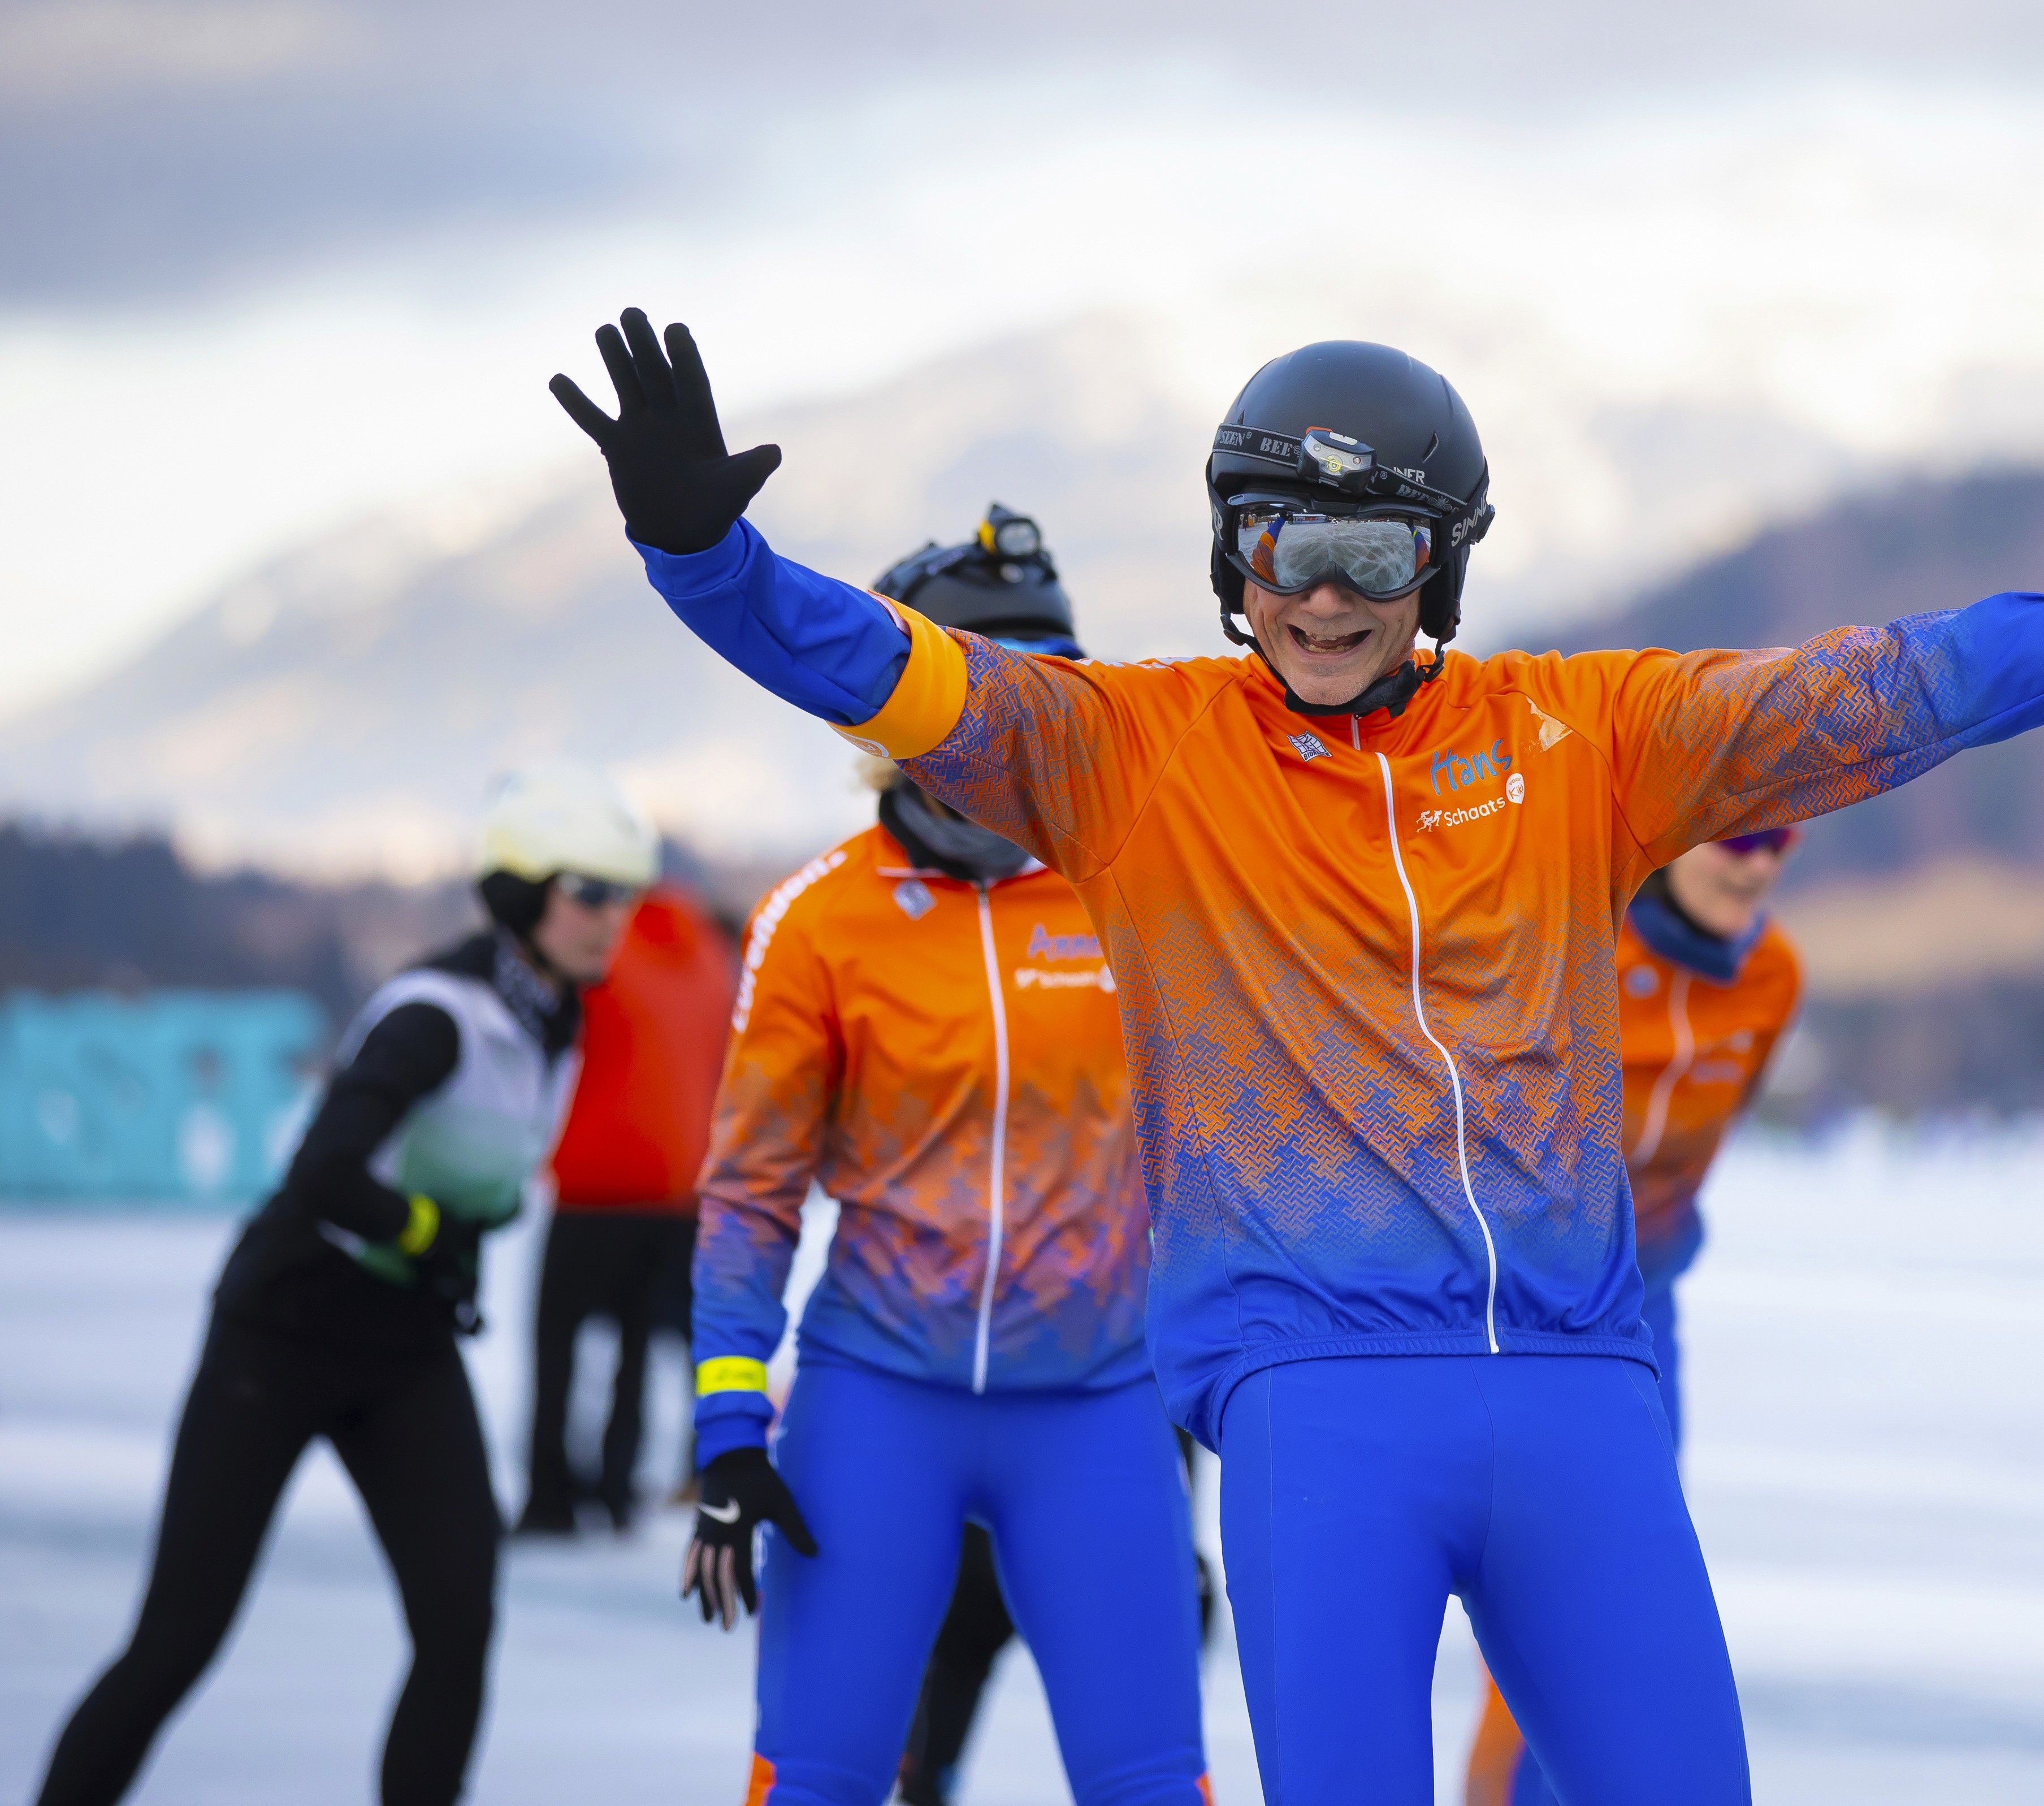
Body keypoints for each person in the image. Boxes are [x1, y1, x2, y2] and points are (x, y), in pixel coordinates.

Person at [553, 306, 2044, 1804]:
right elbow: (878, 666)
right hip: (1313, 1401)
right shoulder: (1129, 755)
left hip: (1580, 1393)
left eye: (1369, 557)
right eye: (1277, 549)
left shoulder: (1583, 737)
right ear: (1226, 558)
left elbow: (1881, 693)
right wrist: (705, 561)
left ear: (1444, 566)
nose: (1318, 601)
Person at [674, 509, 1209, 1806]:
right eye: (976, 681)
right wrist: (728, 1419)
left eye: (1043, 683)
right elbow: (750, 1192)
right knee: (816, 1779)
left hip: (1097, 1410)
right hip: (876, 1404)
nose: (1007, 723)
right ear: (892, 710)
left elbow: (1234, 1170)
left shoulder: (1142, 898)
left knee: (1152, 1786)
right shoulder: (818, 920)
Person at [34, 763, 655, 1806]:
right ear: (521, 892)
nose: (611, 919)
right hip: (278, 1340)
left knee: (460, 1623)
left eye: (624, 896)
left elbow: (482, 1167)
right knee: (180, 1638)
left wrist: (473, 1216)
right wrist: (425, 1223)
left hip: (402, 1351)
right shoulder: (437, 1014)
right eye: (588, 891)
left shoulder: (556, 1020)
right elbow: (320, 1167)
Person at [1466, 827, 1804, 1806]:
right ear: (1676, 841)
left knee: (1621, 1601)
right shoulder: (1577, 947)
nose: (1755, 862)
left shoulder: (1775, 974)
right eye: (1735, 836)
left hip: (1643, 1319)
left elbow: (1711, 1135)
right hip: (1514, 1310)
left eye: (1778, 840)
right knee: (1534, 1605)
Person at [518, 877, 737, 1535]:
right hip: (677, 1186)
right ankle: (617, 1491)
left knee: (556, 1344)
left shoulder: (609, 946)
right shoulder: (709, 961)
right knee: (637, 1346)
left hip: (593, 1185)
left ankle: (551, 1497)